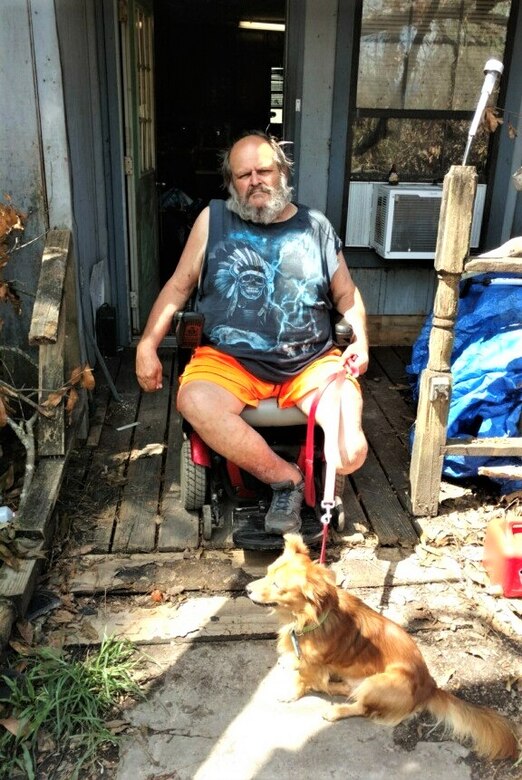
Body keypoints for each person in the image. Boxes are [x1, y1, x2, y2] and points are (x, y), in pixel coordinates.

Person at [136, 131, 368, 535]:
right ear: (231, 183)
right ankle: (286, 479)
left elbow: (346, 294)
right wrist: (147, 345)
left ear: (282, 174)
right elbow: (177, 286)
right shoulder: (213, 220)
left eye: (264, 170)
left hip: (310, 362)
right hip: (230, 361)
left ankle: (324, 468)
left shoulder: (315, 226)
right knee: (194, 399)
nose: (255, 181)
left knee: (351, 452)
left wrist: (361, 339)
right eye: (244, 175)